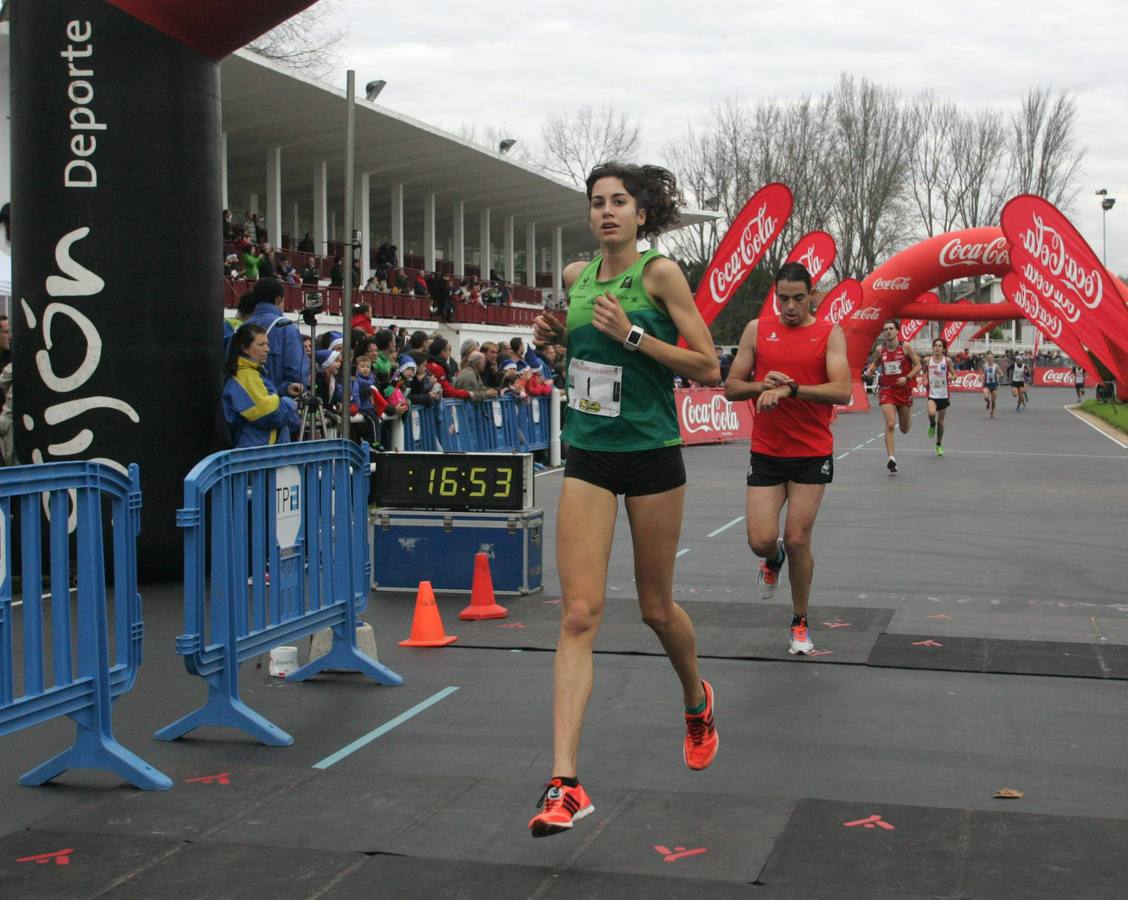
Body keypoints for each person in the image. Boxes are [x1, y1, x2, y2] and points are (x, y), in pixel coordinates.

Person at [527, 162, 721, 839]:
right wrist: (557, 349)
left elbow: (709, 367)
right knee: (579, 614)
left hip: (652, 457)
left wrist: (632, 336)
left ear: (642, 215)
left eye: (619, 202)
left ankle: (696, 700)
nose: (606, 212)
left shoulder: (660, 275)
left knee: (656, 608)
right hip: (588, 455)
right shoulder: (578, 280)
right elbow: (582, 370)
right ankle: (565, 783)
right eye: (596, 203)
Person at [724, 261, 850, 657]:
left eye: (798, 298)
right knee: (761, 540)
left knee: (798, 538)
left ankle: (799, 621)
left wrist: (793, 391)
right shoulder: (756, 331)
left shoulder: (830, 333)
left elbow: (842, 390)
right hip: (767, 452)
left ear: (812, 296)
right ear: (775, 296)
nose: (791, 306)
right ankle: (771, 558)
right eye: (783, 299)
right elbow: (730, 387)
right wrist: (763, 384)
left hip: (812, 453)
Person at [222, 324, 300, 447]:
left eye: (267, 344)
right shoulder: (245, 375)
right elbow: (269, 415)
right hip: (253, 452)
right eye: (261, 345)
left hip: (259, 447)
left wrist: (283, 391)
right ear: (244, 348)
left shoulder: (254, 371)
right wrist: (289, 403)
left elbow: (258, 400)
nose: (267, 349)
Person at [863, 320, 922, 475]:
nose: (887, 331)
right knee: (890, 424)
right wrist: (870, 370)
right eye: (885, 329)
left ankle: (908, 418)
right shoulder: (880, 349)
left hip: (904, 390)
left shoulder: (905, 347)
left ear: (897, 331)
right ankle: (891, 458)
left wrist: (907, 378)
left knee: (904, 428)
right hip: (887, 390)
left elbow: (918, 365)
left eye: (890, 329)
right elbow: (875, 364)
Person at [244, 277, 310, 399]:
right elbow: (297, 374)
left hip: (244, 404)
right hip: (277, 407)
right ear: (278, 299)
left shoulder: (242, 327)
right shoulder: (286, 328)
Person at [926, 338, 952, 455]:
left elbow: (954, 374)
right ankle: (932, 424)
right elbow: (922, 371)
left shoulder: (947, 361)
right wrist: (923, 378)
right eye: (935, 345)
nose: (937, 348)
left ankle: (938, 444)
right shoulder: (927, 360)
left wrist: (953, 377)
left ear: (944, 349)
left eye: (940, 346)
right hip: (931, 393)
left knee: (941, 422)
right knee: (931, 413)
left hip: (944, 394)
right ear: (933, 348)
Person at [981, 351, 1002, 418]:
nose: (990, 359)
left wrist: (1000, 375)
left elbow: (1001, 373)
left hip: (994, 384)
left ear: (993, 358)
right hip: (986, 384)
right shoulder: (984, 365)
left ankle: (992, 412)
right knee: (985, 397)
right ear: (987, 358)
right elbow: (981, 373)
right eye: (988, 357)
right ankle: (988, 402)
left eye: (991, 357)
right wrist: (980, 377)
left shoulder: (996, 366)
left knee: (994, 401)